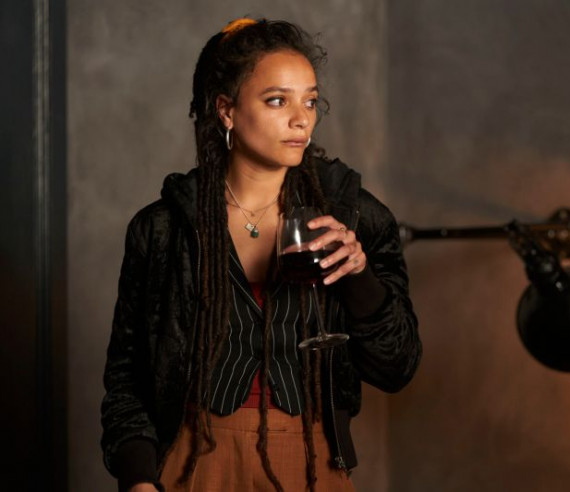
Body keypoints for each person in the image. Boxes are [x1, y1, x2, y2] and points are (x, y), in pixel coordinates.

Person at [100, 17, 421, 492]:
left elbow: (398, 368)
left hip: (311, 460)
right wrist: (138, 480)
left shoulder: (354, 216)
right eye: (277, 100)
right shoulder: (164, 228)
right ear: (226, 110)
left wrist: (359, 276)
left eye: (310, 101)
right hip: (194, 462)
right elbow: (127, 378)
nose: (301, 119)